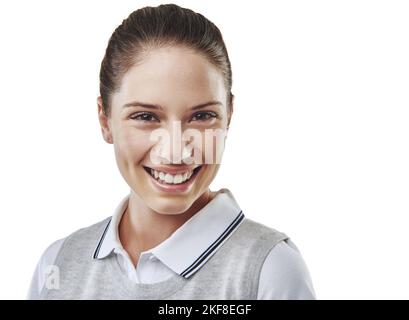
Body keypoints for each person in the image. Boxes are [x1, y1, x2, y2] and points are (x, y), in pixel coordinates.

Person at [28, 3, 316, 300]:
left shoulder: (268, 270)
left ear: (229, 116)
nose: (175, 151)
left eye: (202, 116)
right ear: (105, 120)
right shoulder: (58, 263)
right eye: (145, 117)